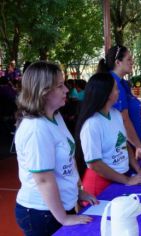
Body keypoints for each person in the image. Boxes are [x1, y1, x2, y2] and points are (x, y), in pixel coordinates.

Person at [14, 61, 97, 236]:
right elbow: (43, 179)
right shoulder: (37, 128)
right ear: (43, 92)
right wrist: (64, 218)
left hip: (58, 209)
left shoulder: (55, 116)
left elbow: (64, 162)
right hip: (42, 213)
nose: (66, 90)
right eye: (60, 86)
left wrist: (77, 192)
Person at [75, 73, 141, 196]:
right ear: (107, 94)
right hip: (101, 186)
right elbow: (94, 164)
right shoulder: (92, 124)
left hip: (121, 178)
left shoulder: (115, 114)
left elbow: (123, 144)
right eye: (116, 89)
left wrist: (139, 171)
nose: (118, 92)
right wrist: (128, 180)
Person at [97, 45, 141, 162]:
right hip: (126, 149)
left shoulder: (123, 83)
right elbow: (123, 119)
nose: (132, 62)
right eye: (129, 59)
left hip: (132, 146)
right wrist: (138, 145)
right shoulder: (114, 84)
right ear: (118, 62)